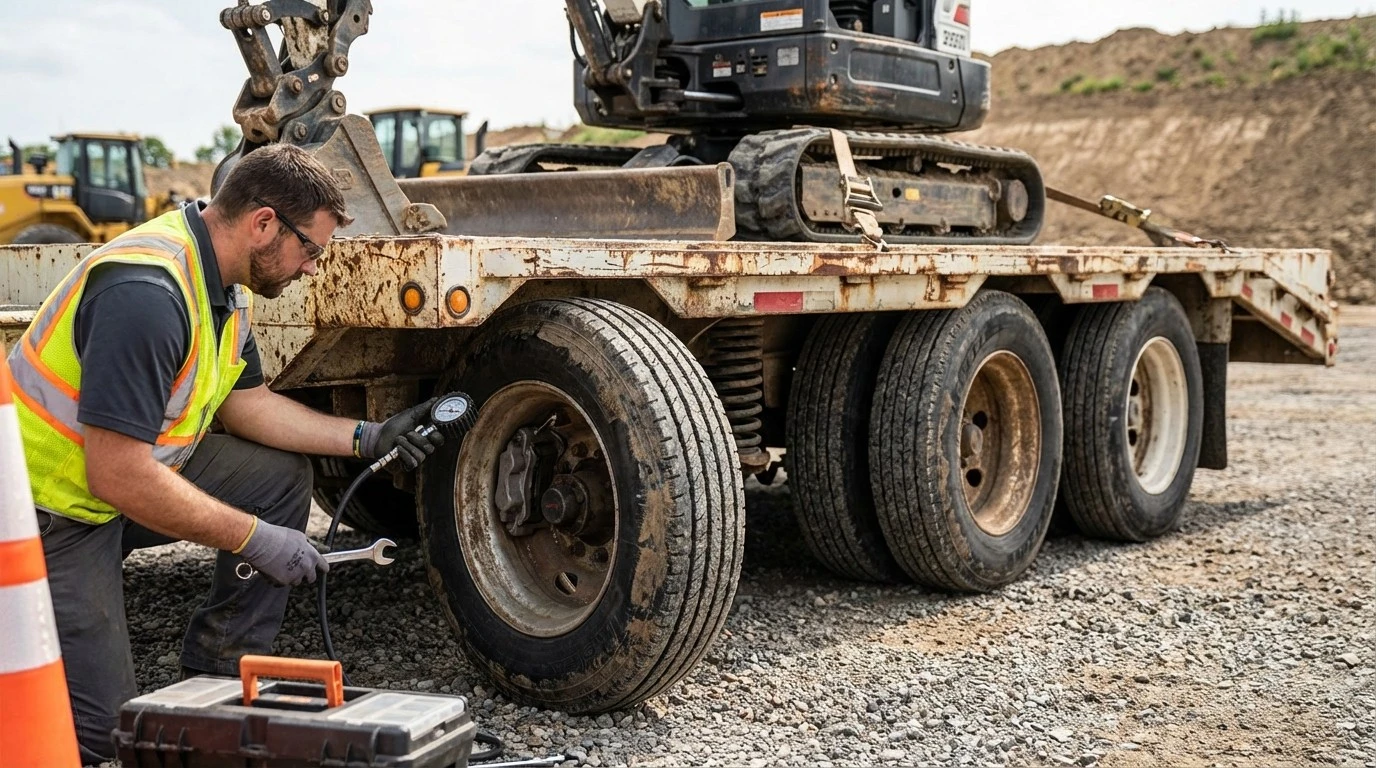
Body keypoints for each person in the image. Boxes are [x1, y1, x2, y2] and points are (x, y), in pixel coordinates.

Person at [6, 143, 444, 765]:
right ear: (264, 223)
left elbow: (248, 406)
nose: (312, 269)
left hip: (112, 488)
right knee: (101, 735)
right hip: (47, 514)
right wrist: (254, 539)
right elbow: (116, 473)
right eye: (311, 250)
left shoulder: (226, 285)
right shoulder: (147, 294)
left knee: (277, 479)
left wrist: (367, 437)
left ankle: (215, 680)